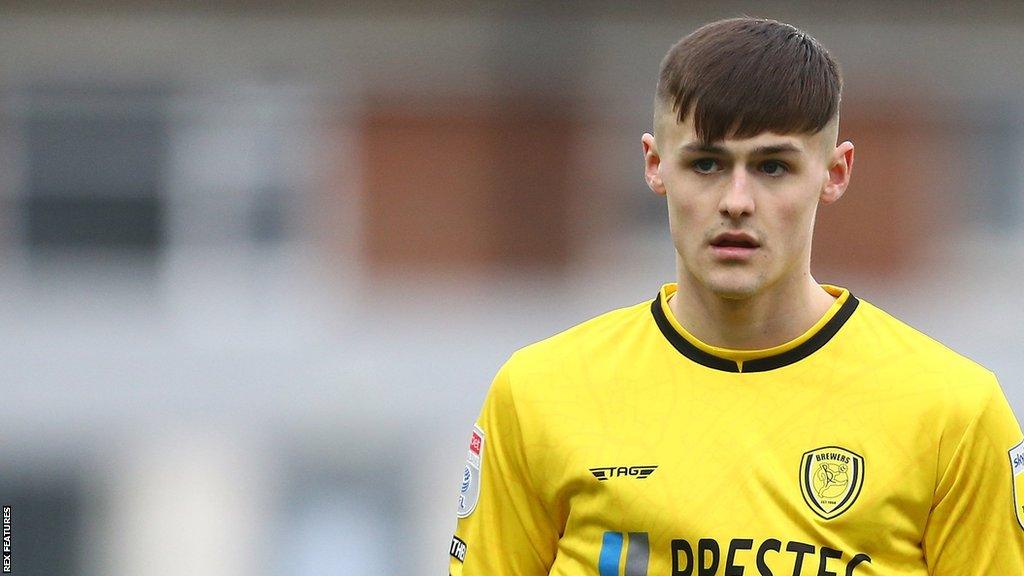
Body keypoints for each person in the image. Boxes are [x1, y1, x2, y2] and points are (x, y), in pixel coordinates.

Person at [448, 17, 1024, 575]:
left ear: (835, 172)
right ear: (655, 165)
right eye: (706, 164)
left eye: (773, 166)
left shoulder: (954, 411)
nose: (737, 201)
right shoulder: (539, 393)